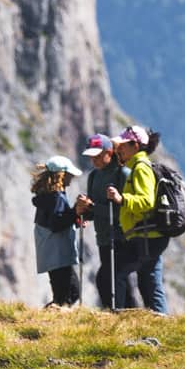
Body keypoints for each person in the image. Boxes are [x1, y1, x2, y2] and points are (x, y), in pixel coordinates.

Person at [109, 126, 169, 313]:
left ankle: (117, 314)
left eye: (123, 145)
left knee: (118, 272)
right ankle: (159, 317)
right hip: (149, 234)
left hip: (145, 235)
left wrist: (122, 199)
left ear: (135, 146)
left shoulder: (141, 168)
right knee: (149, 279)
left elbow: (146, 201)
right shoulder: (137, 166)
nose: (119, 149)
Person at [32, 156, 83, 307]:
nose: (72, 177)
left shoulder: (46, 196)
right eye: (69, 174)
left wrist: (75, 217)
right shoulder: (57, 197)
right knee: (69, 293)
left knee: (63, 293)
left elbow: (55, 221)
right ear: (61, 175)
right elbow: (57, 223)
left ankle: (50, 316)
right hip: (58, 254)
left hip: (50, 253)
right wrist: (75, 212)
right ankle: (48, 318)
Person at [78, 133, 121, 309]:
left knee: (111, 279)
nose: (93, 160)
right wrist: (82, 209)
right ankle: (115, 315)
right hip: (103, 237)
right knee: (108, 279)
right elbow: (92, 210)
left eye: (97, 155)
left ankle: (120, 314)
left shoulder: (122, 174)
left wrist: (92, 207)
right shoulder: (93, 177)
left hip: (121, 237)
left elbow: (121, 211)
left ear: (109, 153)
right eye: (91, 156)